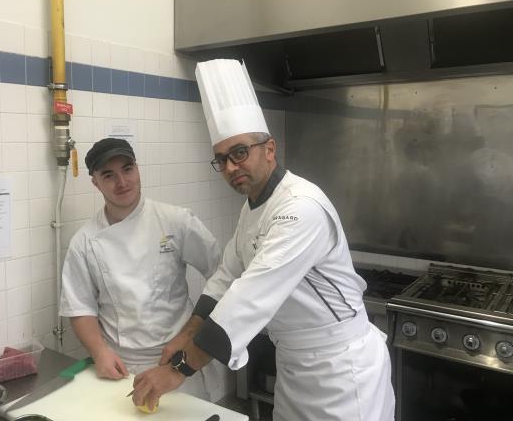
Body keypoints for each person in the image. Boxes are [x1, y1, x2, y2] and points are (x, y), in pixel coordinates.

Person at [132, 59, 395, 420]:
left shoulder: (301, 208)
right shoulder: (254, 207)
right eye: (221, 160)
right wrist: (186, 333)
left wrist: (179, 369)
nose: (230, 167)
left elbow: (250, 297)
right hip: (295, 366)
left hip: (341, 371)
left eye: (240, 153)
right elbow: (227, 276)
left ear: (269, 149)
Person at [59, 137, 221, 399]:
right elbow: (79, 307)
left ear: (137, 168)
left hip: (177, 361)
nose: (122, 182)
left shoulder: (175, 221)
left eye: (127, 169)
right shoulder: (84, 241)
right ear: (95, 182)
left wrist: (195, 333)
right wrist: (99, 352)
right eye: (108, 175)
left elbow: (221, 275)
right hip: (122, 366)